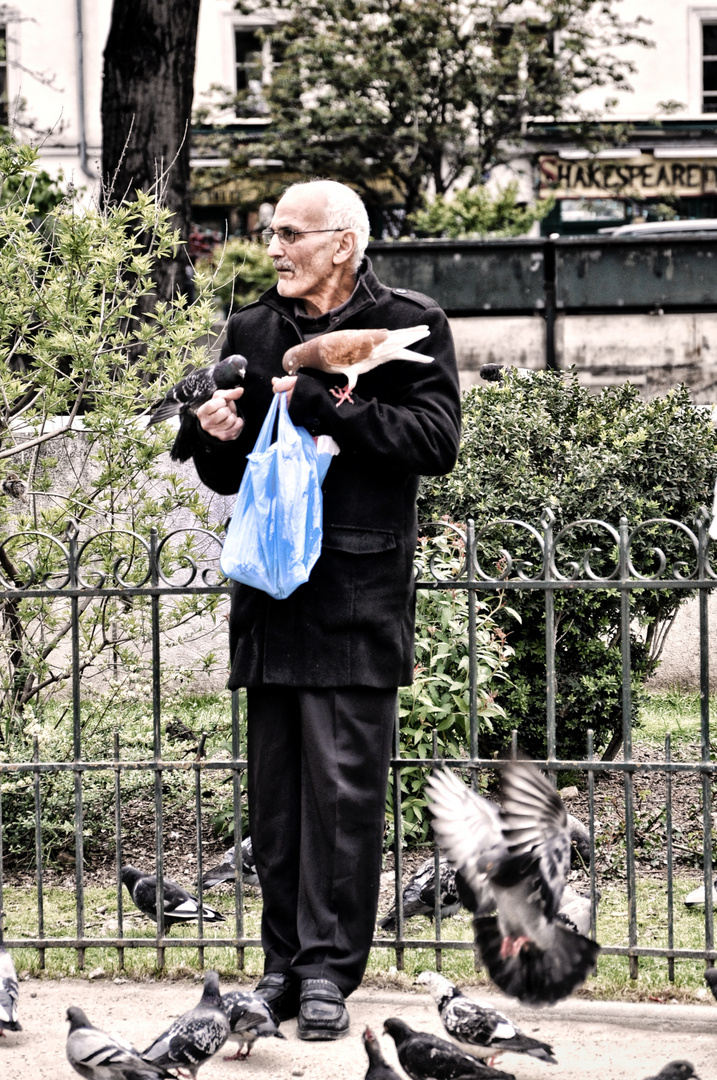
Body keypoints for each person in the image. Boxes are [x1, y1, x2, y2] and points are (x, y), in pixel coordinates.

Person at [190, 179, 461, 1040]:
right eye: (270, 234)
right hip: (272, 596)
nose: (272, 248)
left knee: (342, 797)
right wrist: (213, 434)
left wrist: (326, 403)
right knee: (276, 804)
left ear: (341, 242)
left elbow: (434, 443)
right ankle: (278, 971)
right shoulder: (251, 331)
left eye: (289, 234)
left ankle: (327, 975)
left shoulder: (409, 321)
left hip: (356, 593)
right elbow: (223, 475)